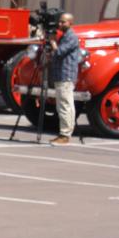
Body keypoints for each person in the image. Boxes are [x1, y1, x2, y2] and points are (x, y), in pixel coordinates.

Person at [50, 13, 81, 144]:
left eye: (63, 22)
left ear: (70, 23)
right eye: (60, 22)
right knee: (64, 104)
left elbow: (59, 52)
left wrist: (52, 42)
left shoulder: (71, 37)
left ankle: (65, 134)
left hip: (66, 74)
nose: (60, 24)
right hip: (61, 74)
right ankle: (66, 132)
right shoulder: (64, 37)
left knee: (64, 105)